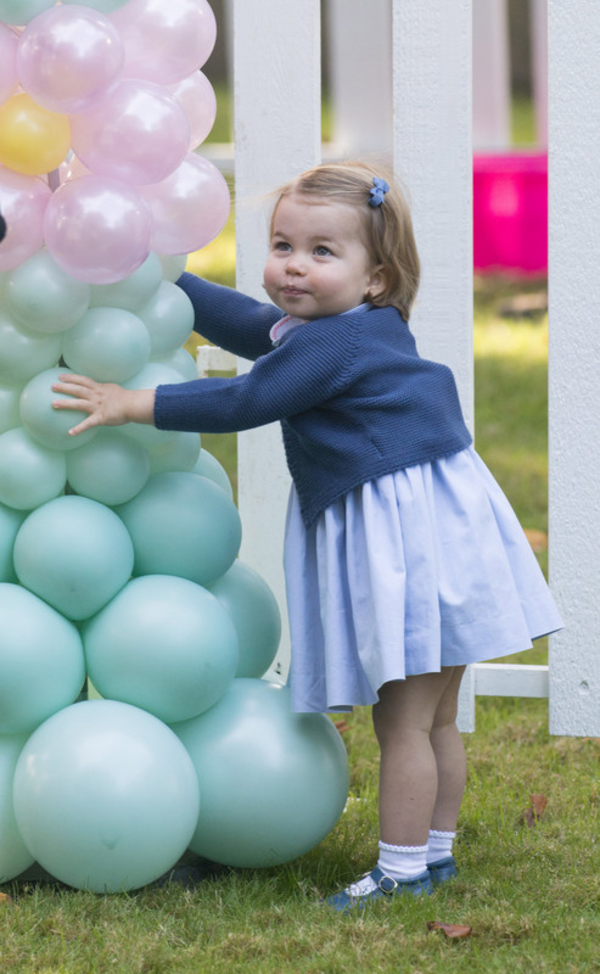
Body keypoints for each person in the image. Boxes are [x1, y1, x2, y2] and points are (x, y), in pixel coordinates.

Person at [52, 161, 563, 912]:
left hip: (407, 544)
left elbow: (246, 398)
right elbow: (243, 322)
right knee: (435, 717)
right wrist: (159, 274)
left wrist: (133, 402)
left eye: (322, 251)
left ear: (376, 278)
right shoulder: (352, 328)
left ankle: (401, 870)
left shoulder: (333, 346)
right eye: (283, 244)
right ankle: (435, 852)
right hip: (441, 533)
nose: (294, 265)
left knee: (403, 721)